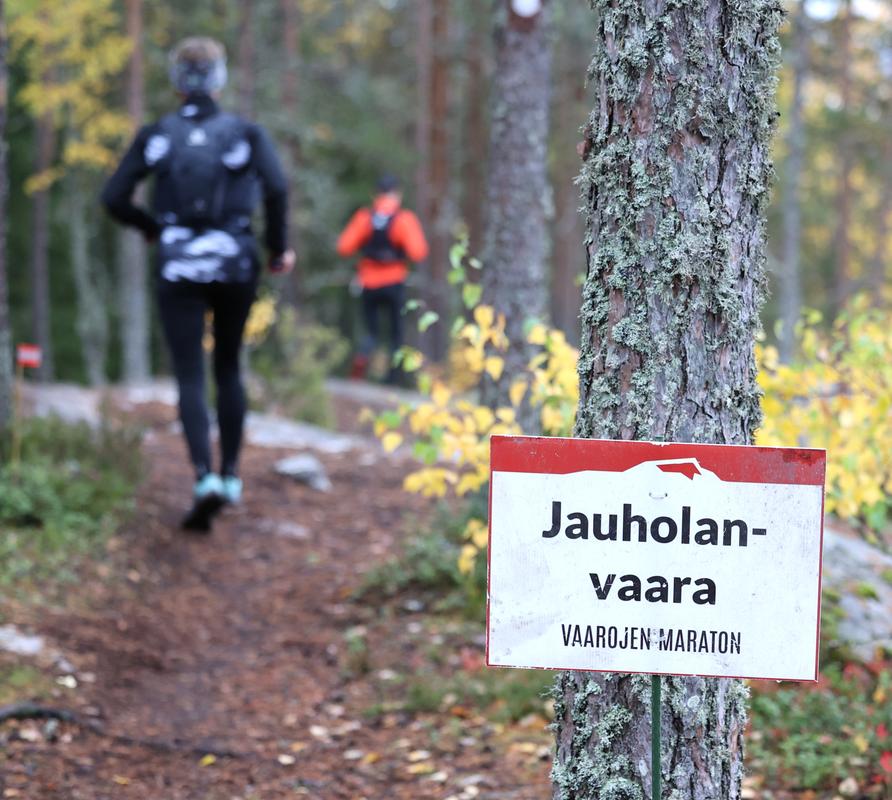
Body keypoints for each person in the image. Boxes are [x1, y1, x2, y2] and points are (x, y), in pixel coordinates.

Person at [102, 36, 295, 532]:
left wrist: (151, 228)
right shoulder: (246, 133)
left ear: (177, 81)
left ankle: (203, 476)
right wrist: (277, 248)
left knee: (189, 373)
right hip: (236, 263)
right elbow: (276, 187)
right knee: (228, 366)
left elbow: (114, 197)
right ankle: (230, 477)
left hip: (177, 265)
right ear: (219, 79)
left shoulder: (157, 135)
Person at [336, 175, 428, 382]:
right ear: (398, 194)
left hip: (368, 282)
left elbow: (343, 247)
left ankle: (362, 360)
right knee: (396, 332)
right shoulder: (404, 219)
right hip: (395, 282)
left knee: (371, 331)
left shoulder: (364, 217)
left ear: (375, 194)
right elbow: (419, 252)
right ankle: (392, 378)